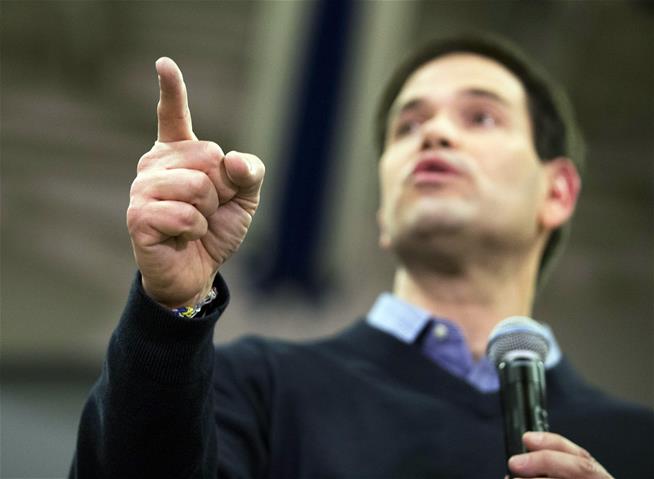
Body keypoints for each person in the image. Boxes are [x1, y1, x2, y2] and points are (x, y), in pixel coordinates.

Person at [70, 33, 652, 478]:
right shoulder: (255, 386)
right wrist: (172, 312)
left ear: (558, 192)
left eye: (481, 116)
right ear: (382, 211)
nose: (435, 134)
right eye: (408, 125)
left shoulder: (637, 444)